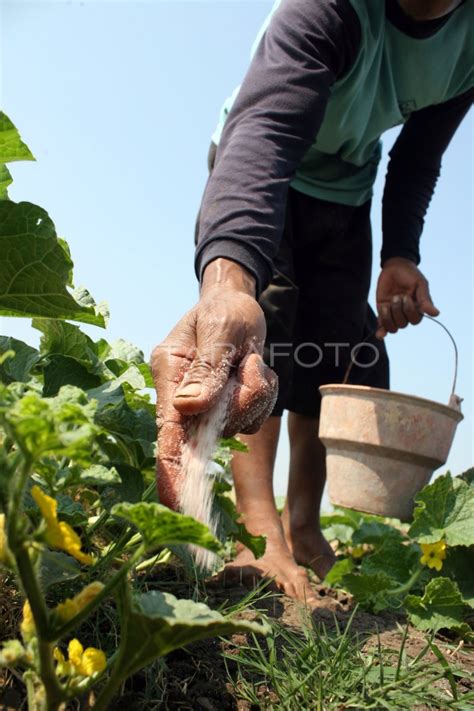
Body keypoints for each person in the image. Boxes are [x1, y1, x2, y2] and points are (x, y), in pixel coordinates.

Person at [152, 0, 473, 604]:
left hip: (346, 187)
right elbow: (268, 132)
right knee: (266, 332)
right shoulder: (328, 9)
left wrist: (400, 254)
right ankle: (257, 523)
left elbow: (419, 154)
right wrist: (229, 282)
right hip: (264, 173)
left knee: (334, 348)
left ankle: (303, 524)